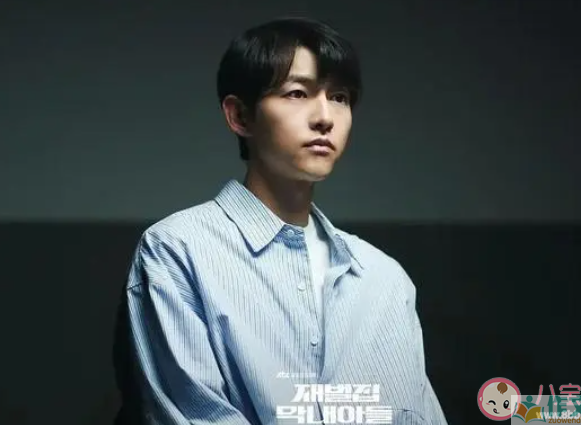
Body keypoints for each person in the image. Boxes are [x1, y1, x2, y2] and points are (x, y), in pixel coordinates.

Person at [113, 16, 447, 425]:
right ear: (240, 116)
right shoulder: (177, 250)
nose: (325, 117)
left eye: (339, 97)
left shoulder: (385, 279)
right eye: (297, 93)